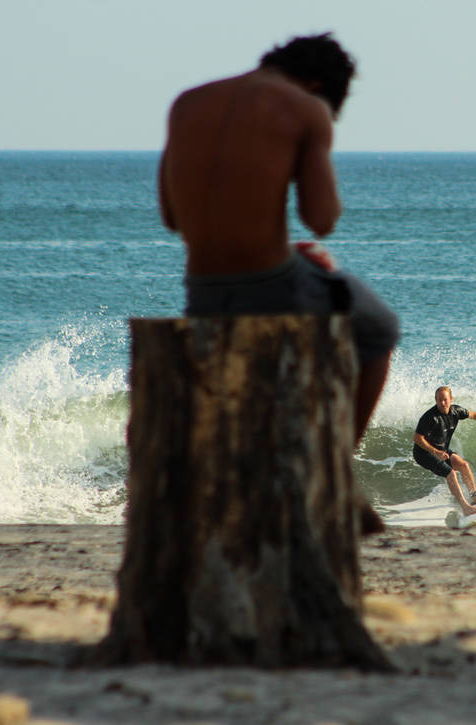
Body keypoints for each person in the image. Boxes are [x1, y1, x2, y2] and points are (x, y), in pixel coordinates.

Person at [158, 33, 399, 532]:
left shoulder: (189, 101)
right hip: (271, 284)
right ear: (316, 86)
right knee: (378, 327)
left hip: (201, 290)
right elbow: (322, 218)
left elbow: (171, 217)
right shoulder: (304, 109)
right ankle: (332, 476)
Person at [413, 386, 476, 517]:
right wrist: (435, 451)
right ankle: (465, 507)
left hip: (441, 449)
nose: (442, 403)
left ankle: (475, 496)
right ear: (436, 400)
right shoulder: (430, 417)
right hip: (424, 454)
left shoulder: (456, 411)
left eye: (445, 400)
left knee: (463, 465)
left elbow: (475, 415)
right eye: (439, 400)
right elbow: (417, 438)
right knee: (451, 473)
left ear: (451, 399)